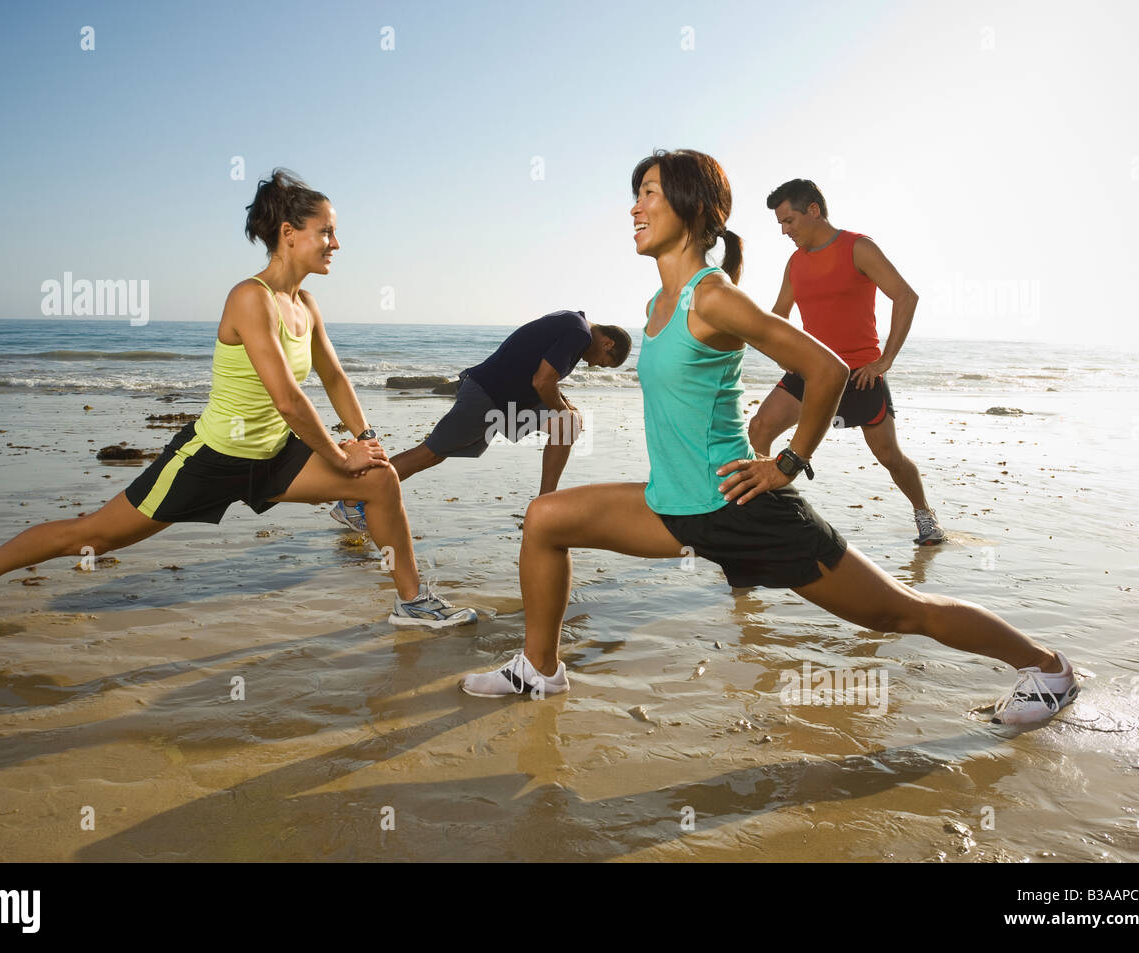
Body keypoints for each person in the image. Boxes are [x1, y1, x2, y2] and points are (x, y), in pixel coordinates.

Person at [460, 149, 1078, 726]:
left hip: (741, 509)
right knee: (545, 520)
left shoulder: (713, 296)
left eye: (649, 193)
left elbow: (828, 369)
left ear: (694, 210)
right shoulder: (660, 300)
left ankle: (1047, 670)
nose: (635, 207)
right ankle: (539, 671)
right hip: (670, 508)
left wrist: (788, 462)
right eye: (636, 194)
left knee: (895, 612)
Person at [0, 169, 477, 638]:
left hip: (274, 456)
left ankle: (412, 604)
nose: (336, 243)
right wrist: (338, 459)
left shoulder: (305, 303)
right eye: (326, 232)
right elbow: (288, 397)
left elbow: (333, 376)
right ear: (289, 235)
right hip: (212, 457)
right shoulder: (249, 298)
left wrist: (363, 439)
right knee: (93, 535)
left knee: (380, 480)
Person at [750, 178, 946, 545]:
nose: (784, 230)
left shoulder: (859, 247)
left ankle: (924, 513)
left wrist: (885, 360)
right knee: (760, 428)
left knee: (889, 456)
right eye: (780, 224)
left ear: (813, 210)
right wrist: (783, 354)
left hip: (860, 376)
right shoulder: (794, 263)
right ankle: (763, 514)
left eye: (788, 220)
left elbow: (905, 296)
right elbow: (777, 317)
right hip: (811, 370)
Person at [328, 312, 631, 533]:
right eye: (603, 362)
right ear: (607, 343)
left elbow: (543, 375)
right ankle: (353, 501)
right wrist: (564, 411)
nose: (594, 365)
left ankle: (544, 506)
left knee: (566, 426)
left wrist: (566, 408)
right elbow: (543, 381)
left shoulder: (574, 325)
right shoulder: (578, 334)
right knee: (431, 453)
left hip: (508, 402)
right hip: (487, 396)